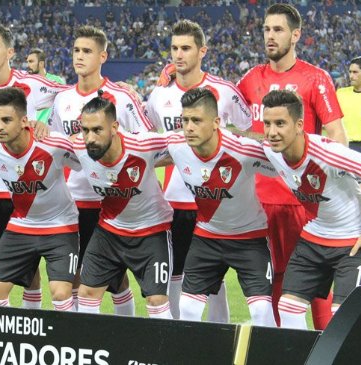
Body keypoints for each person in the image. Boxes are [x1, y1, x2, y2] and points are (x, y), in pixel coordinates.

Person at [235, 3, 347, 329]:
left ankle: (327, 350)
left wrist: (333, 185)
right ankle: (282, 351)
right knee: (273, 285)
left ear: (296, 34)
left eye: (278, 29)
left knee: (317, 287)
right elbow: (228, 120)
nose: (270, 36)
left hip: (304, 201)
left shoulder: (315, 78)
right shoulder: (250, 79)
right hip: (260, 204)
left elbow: (337, 133)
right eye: (267, 29)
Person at [146, 19, 253, 321]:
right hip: (175, 202)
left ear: (202, 51)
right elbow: (151, 141)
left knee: (214, 280)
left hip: (216, 199)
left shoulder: (224, 92)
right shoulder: (158, 96)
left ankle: (218, 343)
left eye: (186, 48)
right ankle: (181, 341)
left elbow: (249, 134)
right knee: (175, 276)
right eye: (174, 48)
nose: (178, 55)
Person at [49, 25, 153, 315]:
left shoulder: (122, 98)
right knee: (74, 280)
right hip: (74, 202)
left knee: (117, 280)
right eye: (76, 50)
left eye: (87, 51)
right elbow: (58, 151)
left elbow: (147, 145)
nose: (79, 57)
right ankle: (78, 343)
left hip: (114, 203)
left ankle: (125, 334)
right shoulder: (63, 100)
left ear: (103, 56)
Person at [261, 89, 361, 330]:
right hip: (315, 236)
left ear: (299, 125)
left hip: (354, 239)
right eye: (267, 124)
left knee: (345, 318)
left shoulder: (328, 153)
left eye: (280, 123)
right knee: (288, 308)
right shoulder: (271, 150)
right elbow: (241, 140)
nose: (272, 132)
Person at [0, 25, 69, 307]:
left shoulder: (33, 84)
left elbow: (73, 95)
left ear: (10, 52)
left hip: (26, 188)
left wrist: (48, 121)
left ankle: (29, 323)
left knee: (30, 270)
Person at [165, 88, 275, 326]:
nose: (189, 127)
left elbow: (285, 164)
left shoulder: (243, 151)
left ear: (216, 123)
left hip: (249, 237)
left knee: (261, 312)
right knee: (188, 309)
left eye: (196, 120)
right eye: (185, 120)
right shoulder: (176, 146)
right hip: (207, 237)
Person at [0, 87, 80, 311]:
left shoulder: (53, 143)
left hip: (60, 226)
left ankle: (66, 342)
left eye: (6, 120)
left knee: (61, 294)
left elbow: (88, 160)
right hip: (21, 226)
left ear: (24, 121)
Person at [72, 96, 173, 319]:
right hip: (108, 231)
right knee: (86, 293)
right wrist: (35, 126)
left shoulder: (144, 145)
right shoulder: (78, 146)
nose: (90, 138)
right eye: (85, 130)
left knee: (156, 301)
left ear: (115, 127)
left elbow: (183, 143)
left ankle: (166, 352)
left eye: (97, 130)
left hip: (151, 232)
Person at [26, 48, 66, 123]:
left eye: (31, 62)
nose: (28, 65)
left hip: (49, 130)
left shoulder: (56, 81)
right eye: (27, 62)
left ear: (41, 64)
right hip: (30, 129)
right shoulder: (26, 83)